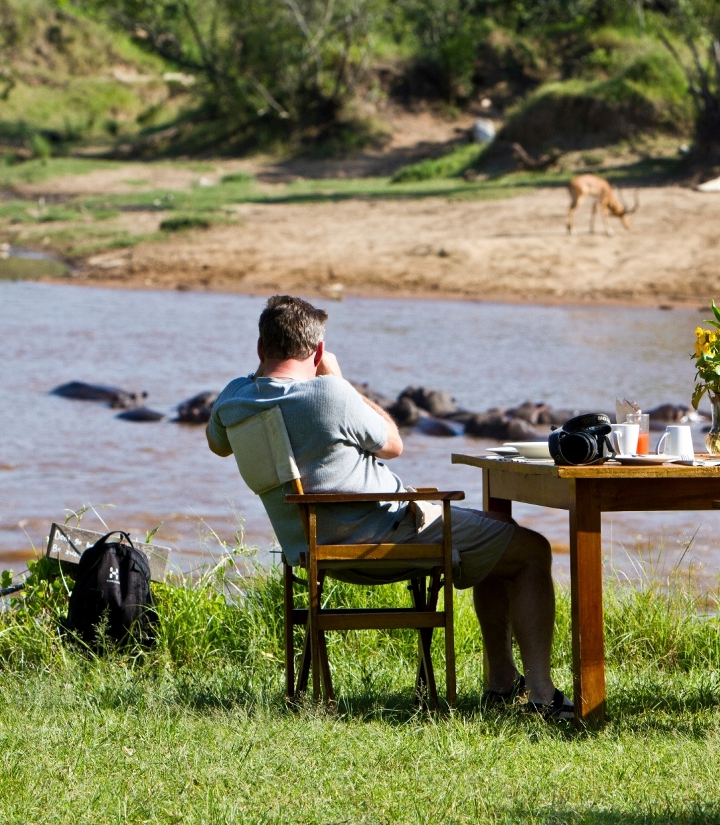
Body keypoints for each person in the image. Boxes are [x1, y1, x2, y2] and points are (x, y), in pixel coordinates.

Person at [206, 295, 571, 719]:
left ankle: (503, 685)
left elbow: (217, 445)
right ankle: (540, 696)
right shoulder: (331, 393)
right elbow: (393, 444)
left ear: (259, 348)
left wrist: (260, 377)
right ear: (318, 351)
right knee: (530, 551)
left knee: (494, 535)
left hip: (309, 550)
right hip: (389, 534)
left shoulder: (233, 400)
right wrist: (343, 382)